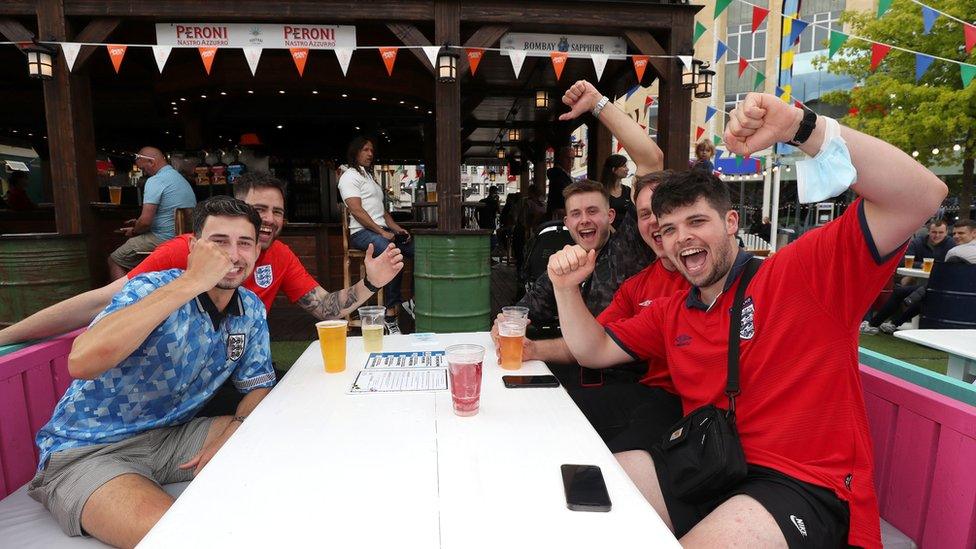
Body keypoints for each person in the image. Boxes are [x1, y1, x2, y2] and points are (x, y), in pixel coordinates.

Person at [545, 92, 946, 547]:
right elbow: (592, 350)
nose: (683, 238)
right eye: (670, 228)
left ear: (731, 222)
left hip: (801, 482)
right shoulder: (674, 309)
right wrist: (564, 289)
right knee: (586, 501)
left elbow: (922, 195)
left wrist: (802, 126)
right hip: (711, 461)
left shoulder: (800, 274)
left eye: (698, 221)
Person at [28, 196, 277, 547]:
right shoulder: (150, 287)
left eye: (244, 243)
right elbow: (82, 362)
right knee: (175, 537)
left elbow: (258, 385)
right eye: (219, 243)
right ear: (194, 247)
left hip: (171, 438)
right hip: (90, 449)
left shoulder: (249, 308)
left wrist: (232, 430)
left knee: (276, 431)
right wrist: (192, 281)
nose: (233, 255)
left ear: (256, 252)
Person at [0, 172, 403, 349]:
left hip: (242, 365)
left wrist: (370, 283)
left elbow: (324, 308)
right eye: (258, 209)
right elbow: (102, 301)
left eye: (277, 212)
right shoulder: (187, 249)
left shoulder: (279, 255)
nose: (269, 220)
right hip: (180, 373)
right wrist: (9, 336)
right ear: (234, 207)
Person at [339, 136, 414, 334]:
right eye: (365, 150)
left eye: (371, 150)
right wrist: (382, 232)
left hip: (379, 231)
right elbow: (356, 211)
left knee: (418, 250)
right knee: (392, 254)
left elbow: (383, 214)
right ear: (355, 152)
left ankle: (413, 302)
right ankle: (390, 315)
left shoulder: (369, 177)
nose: (370, 154)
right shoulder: (349, 176)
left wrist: (397, 229)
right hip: (361, 233)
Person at [108, 147, 196, 280]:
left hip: (163, 238)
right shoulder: (179, 178)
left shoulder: (156, 180)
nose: (144, 173)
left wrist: (134, 231)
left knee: (114, 259)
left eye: (143, 169)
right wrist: (137, 224)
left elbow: (145, 222)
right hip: (184, 237)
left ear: (151, 162)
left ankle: (126, 299)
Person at [862, 218, 955, 334]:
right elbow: (904, 261)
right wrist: (920, 264)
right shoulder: (918, 242)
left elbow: (950, 267)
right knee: (906, 284)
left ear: (946, 233)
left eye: (940, 232)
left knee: (919, 293)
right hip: (922, 279)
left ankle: (890, 323)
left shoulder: (951, 244)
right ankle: (886, 322)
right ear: (928, 231)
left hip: (941, 283)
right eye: (934, 232)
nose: (937, 235)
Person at [600, 154, 635, 231]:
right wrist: (614, 233)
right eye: (624, 166)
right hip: (608, 234)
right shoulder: (600, 191)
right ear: (614, 169)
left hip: (627, 234)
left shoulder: (627, 190)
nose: (627, 169)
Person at [545, 145, 574, 219]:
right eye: (567, 158)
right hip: (560, 218)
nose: (570, 161)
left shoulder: (563, 175)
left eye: (572, 158)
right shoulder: (558, 175)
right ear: (560, 158)